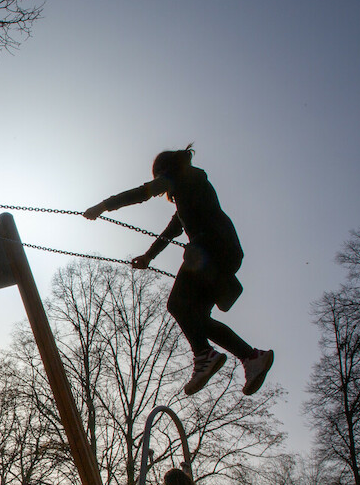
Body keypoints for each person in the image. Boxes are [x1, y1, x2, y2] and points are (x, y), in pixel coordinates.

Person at [84, 146, 274, 396]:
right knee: (197, 319)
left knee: (176, 304)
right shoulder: (188, 197)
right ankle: (251, 357)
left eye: (159, 179)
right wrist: (148, 256)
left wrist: (103, 206)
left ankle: (204, 355)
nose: (161, 186)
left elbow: (143, 193)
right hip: (224, 253)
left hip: (211, 249)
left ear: (165, 171)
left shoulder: (185, 176)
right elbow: (170, 231)